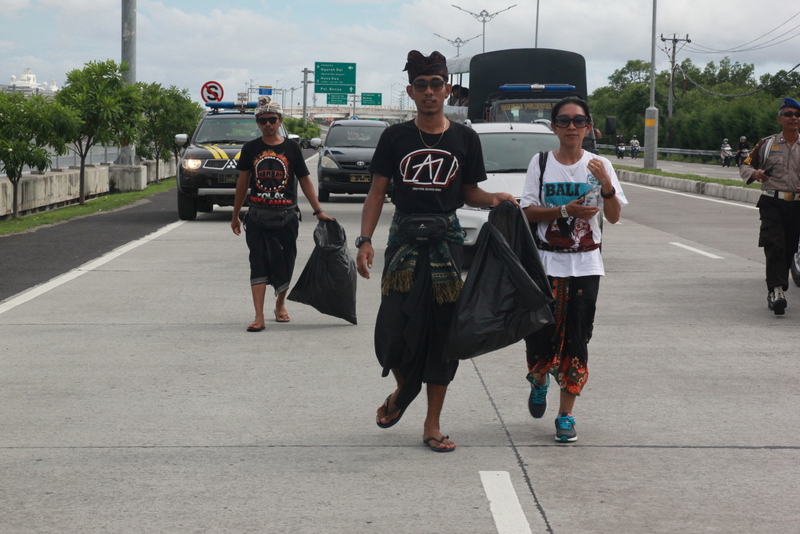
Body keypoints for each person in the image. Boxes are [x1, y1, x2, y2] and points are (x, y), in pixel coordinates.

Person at [356, 50, 515, 452]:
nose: (430, 92)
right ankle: (404, 390)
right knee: (391, 331)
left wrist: (495, 198)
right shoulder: (395, 137)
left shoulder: (465, 138)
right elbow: (377, 191)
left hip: (446, 245)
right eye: (422, 85)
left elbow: (469, 192)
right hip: (403, 245)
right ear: (411, 92)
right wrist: (365, 240)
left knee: (444, 338)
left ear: (447, 89)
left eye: (436, 84)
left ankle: (432, 424)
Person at [519, 96, 628, 443]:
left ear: (588, 128)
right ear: (553, 127)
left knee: (578, 336)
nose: (571, 127)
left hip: (585, 263)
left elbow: (612, 216)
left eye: (578, 121)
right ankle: (538, 379)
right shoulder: (540, 163)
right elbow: (528, 212)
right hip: (546, 262)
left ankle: (566, 415)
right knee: (539, 334)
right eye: (564, 121)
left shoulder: (600, 164)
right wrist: (564, 211)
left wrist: (606, 186)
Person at [231, 96, 334, 331]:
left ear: (280, 121)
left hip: (286, 215)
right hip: (257, 215)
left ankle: (280, 305)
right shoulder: (250, 149)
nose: (267, 124)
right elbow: (242, 183)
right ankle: (259, 316)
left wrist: (318, 211)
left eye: (272, 120)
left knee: (285, 262)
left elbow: (305, 180)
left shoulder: (291, 148)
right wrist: (235, 214)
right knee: (257, 262)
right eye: (262, 120)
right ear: (257, 122)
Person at [739, 97, 800, 315]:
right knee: (775, 244)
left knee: (790, 248)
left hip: (797, 205)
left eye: (797, 115)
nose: (793, 118)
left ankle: (776, 287)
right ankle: (776, 291)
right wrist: (756, 173)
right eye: (788, 114)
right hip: (772, 202)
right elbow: (745, 165)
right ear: (779, 119)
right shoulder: (766, 144)